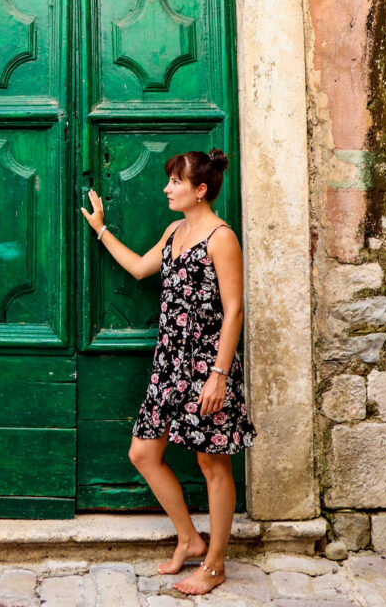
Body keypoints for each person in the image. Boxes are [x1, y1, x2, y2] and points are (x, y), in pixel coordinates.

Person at [80, 148, 256, 597]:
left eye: (175, 181)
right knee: (143, 454)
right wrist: (101, 231)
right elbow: (141, 267)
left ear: (200, 190)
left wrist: (218, 375)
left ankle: (214, 565)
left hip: (206, 367)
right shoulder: (175, 231)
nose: (167, 188)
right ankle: (189, 538)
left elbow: (234, 311)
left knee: (212, 463)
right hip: (169, 365)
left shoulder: (221, 238)